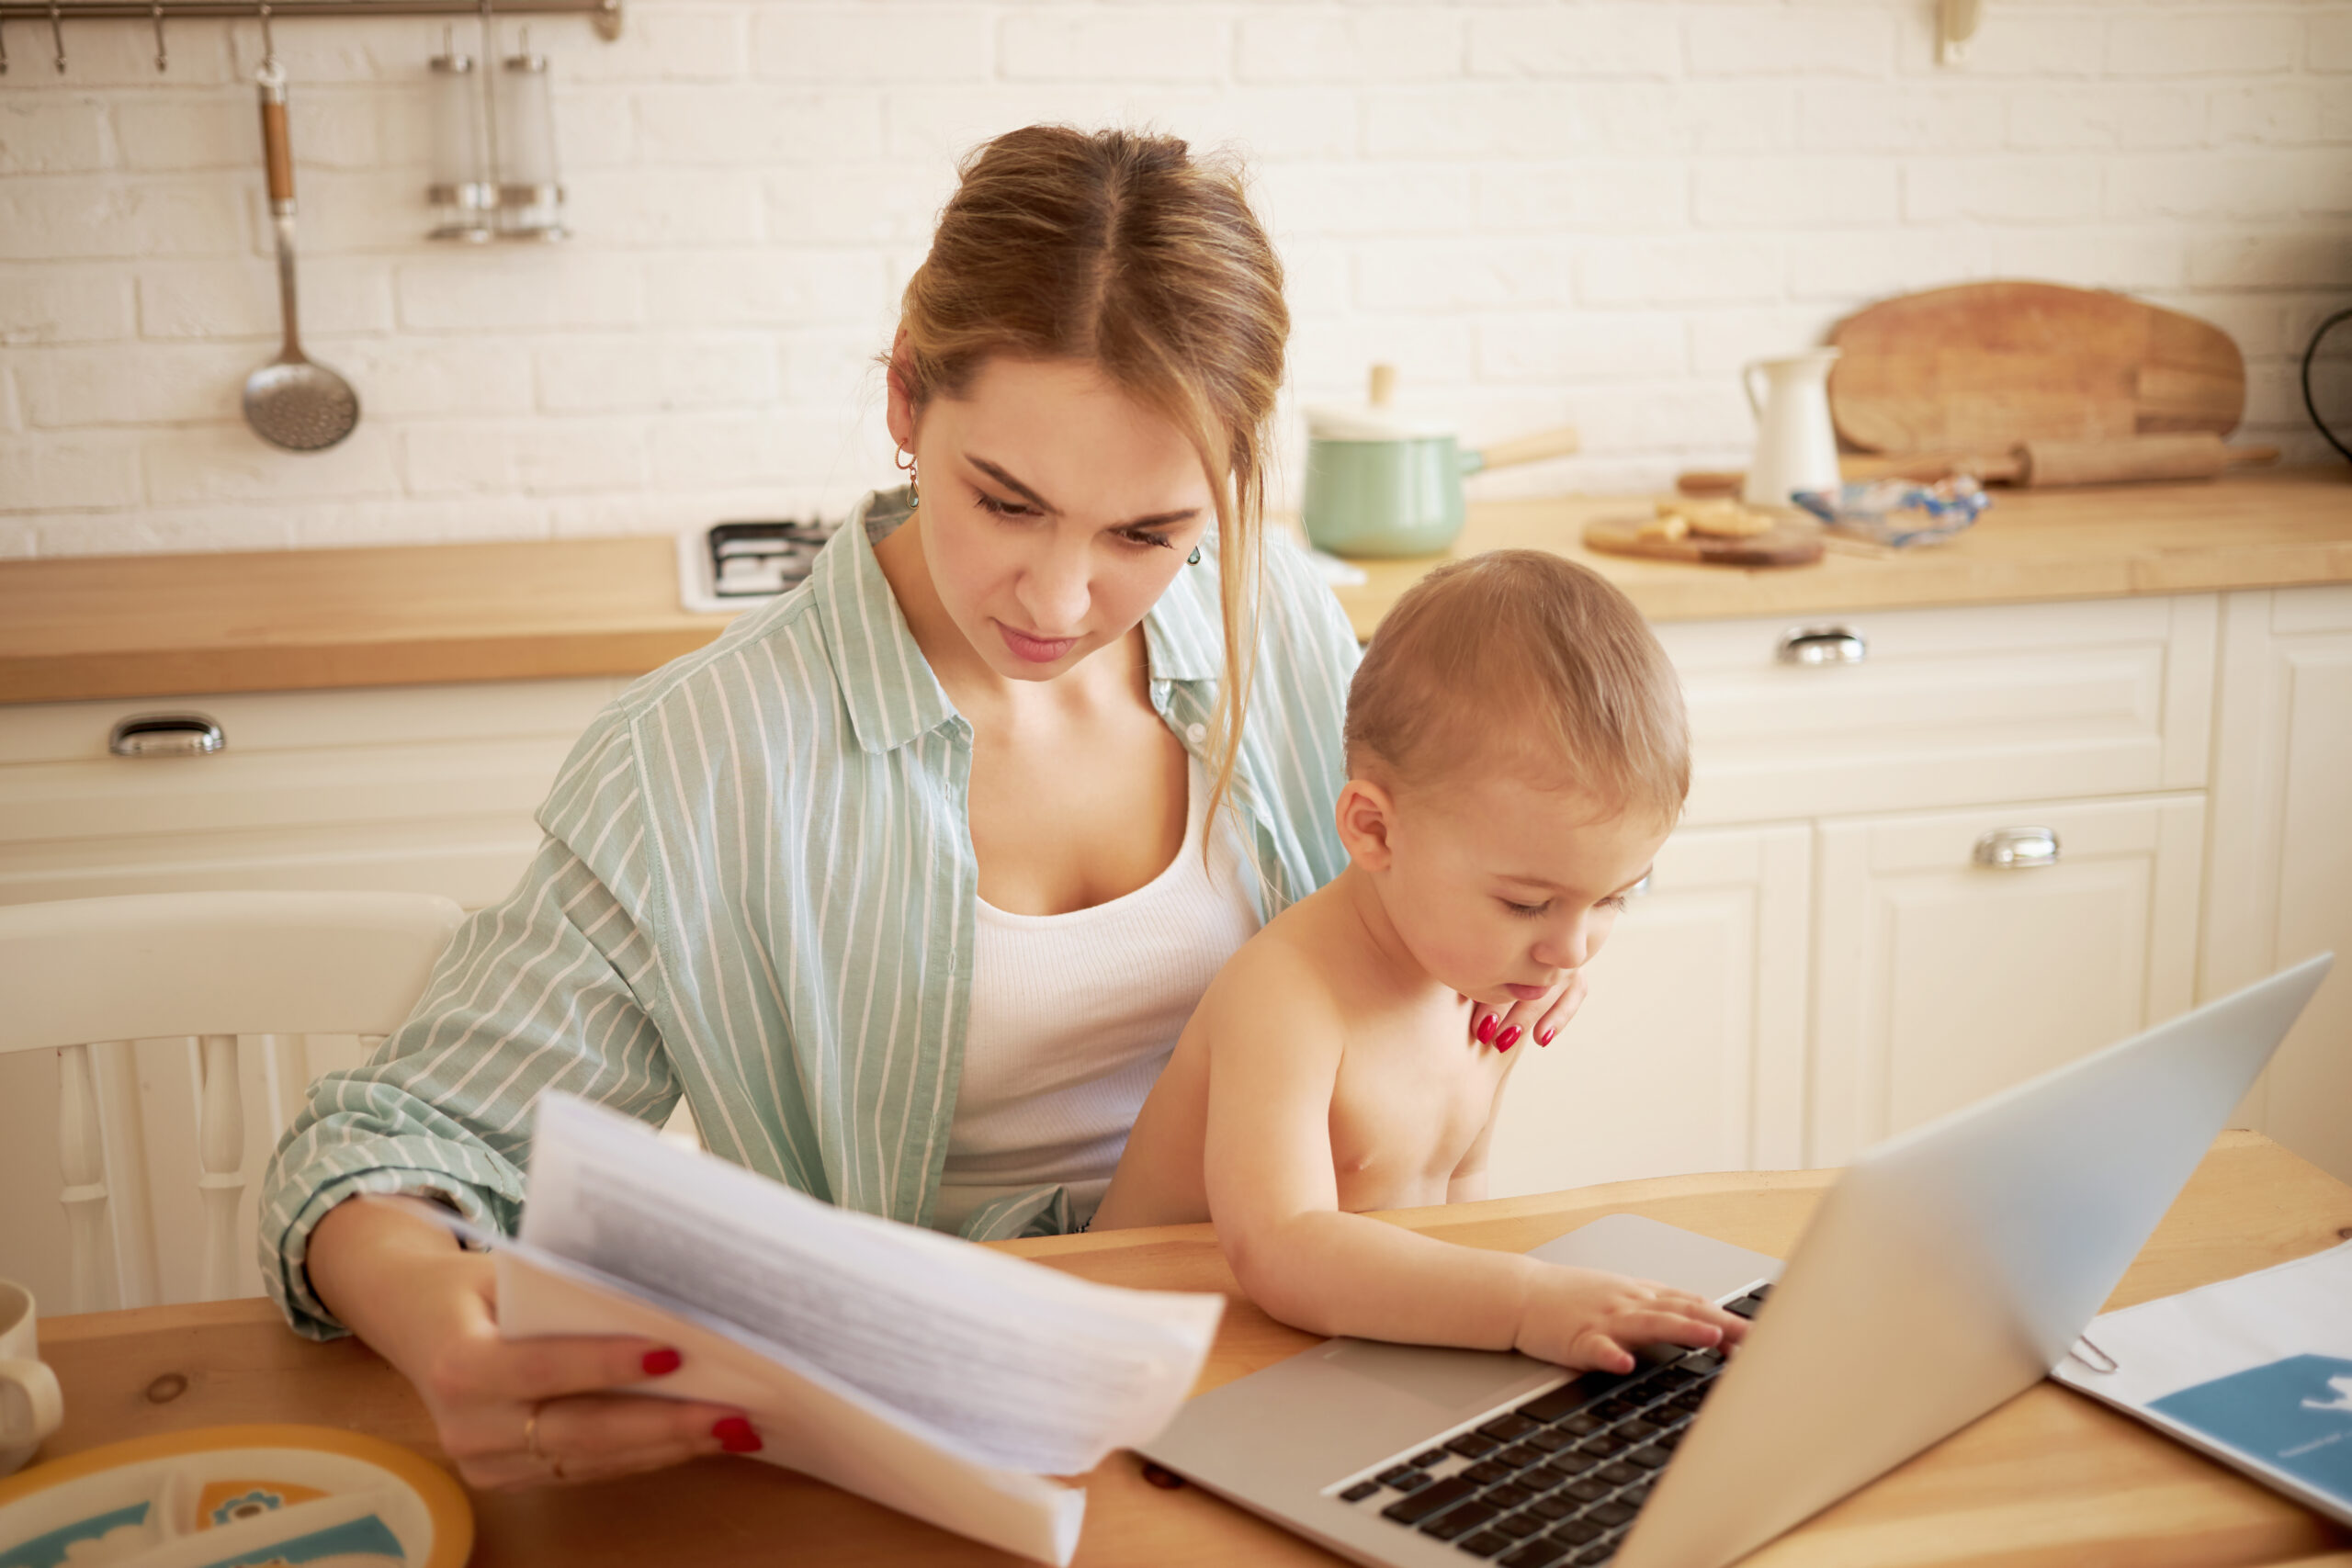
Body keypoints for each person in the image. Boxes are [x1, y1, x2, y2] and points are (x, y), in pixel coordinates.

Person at [255, 126, 1588, 1492]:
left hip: (1312, 1369)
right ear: (905, 399)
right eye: (1007, 502)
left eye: (1149, 534)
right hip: (950, 1445)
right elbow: (395, 1139)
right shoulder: (703, 757)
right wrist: (437, 1317)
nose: (1061, 601)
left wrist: (1535, 929)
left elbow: (1494, 851)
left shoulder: (1286, 625)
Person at [1093, 551, 1747, 1373]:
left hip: (1334, 1358)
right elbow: (1281, 1247)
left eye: (1616, 895)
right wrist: (1525, 1303)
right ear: (1374, 830)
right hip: (1146, 1366)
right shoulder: (1288, 997)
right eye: (1527, 903)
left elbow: (1458, 1209)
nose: (1570, 951)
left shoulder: (1483, 980)